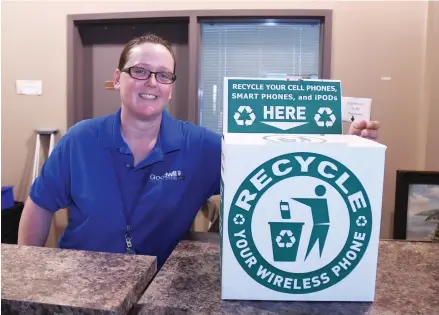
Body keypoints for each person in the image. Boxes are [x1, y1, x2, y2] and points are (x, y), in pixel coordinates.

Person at [17, 33, 380, 268]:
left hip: (158, 285)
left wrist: (345, 148)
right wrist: (31, 271)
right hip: (81, 279)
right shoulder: (81, 139)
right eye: (140, 71)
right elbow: (40, 203)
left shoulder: (202, 146)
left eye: (163, 75)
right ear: (119, 78)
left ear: (171, 87)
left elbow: (278, 170)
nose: (151, 83)